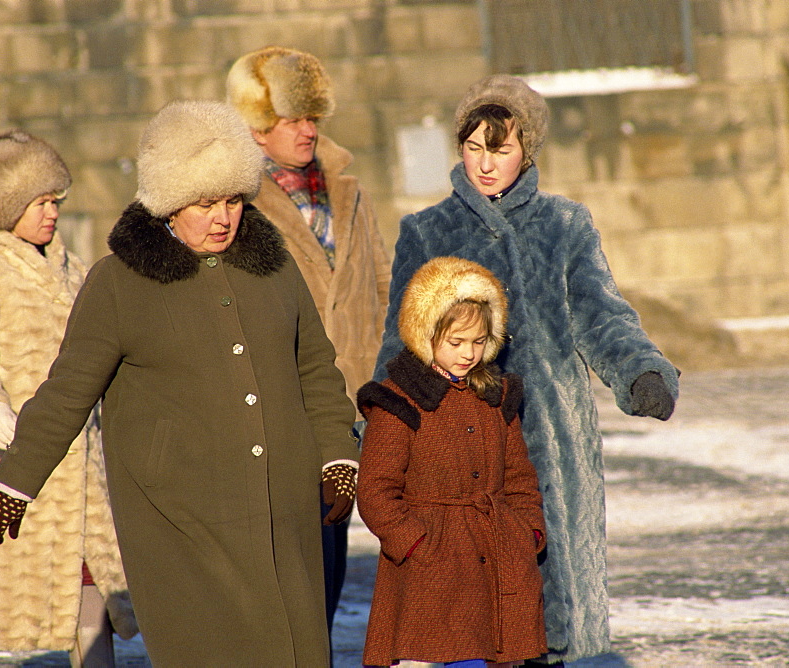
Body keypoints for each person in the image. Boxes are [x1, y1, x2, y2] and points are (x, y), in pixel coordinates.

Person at [0, 100, 361, 666]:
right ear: (168, 202)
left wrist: (336, 456)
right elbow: (67, 393)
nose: (222, 218)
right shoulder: (118, 283)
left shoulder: (274, 266)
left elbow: (316, 370)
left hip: (285, 509)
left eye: (232, 200)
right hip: (183, 522)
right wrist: (15, 482)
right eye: (204, 203)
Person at [373, 75, 680, 664]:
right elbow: (402, 340)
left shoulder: (564, 225)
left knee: (550, 609)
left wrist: (639, 371)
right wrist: (383, 428)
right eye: (474, 147)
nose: (486, 164)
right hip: (457, 451)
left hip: (551, 445)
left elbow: (601, 315)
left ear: (528, 149)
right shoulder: (426, 231)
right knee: (473, 621)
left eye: (502, 148)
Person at [0, 131, 137, 668]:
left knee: (91, 596)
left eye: (56, 202)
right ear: (7, 206)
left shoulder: (80, 275)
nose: (52, 214)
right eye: (40, 202)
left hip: (80, 480)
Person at [226, 45, 391, 633]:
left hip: (350, 405)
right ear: (258, 128)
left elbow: (379, 283)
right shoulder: (236, 204)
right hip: (282, 407)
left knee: (329, 562)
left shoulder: (347, 192)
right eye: (294, 118)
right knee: (285, 566)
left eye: (313, 117)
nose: (307, 130)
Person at [357, 256, 548, 667]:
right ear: (426, 335)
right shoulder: (398, 401)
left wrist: (528, 532)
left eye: (479, 341)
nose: (468, 354)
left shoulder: (495, 396)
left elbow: (519, 477)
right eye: (456, 342)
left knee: (494, 655)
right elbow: (375, 490)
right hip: (426, 570)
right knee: (420, 659)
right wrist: (415, 543)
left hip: (496, 555)